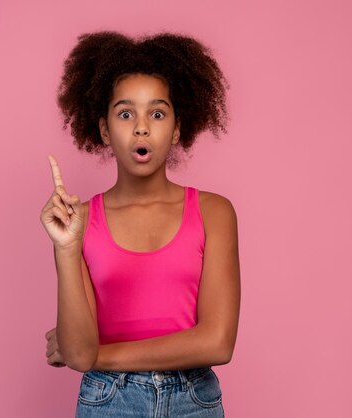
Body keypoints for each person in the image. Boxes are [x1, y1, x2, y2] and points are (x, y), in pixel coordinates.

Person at [40, 31, 240, 418]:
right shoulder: (79, 222)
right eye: (126, 113)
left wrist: (98, 355)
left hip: (193, 401)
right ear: (104, 129)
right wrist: (66, 247)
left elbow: (218, 343)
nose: (142, 127)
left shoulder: (215, 213)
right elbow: (80, 354)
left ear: (177, 128)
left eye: (158, 113)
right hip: (108, 401)